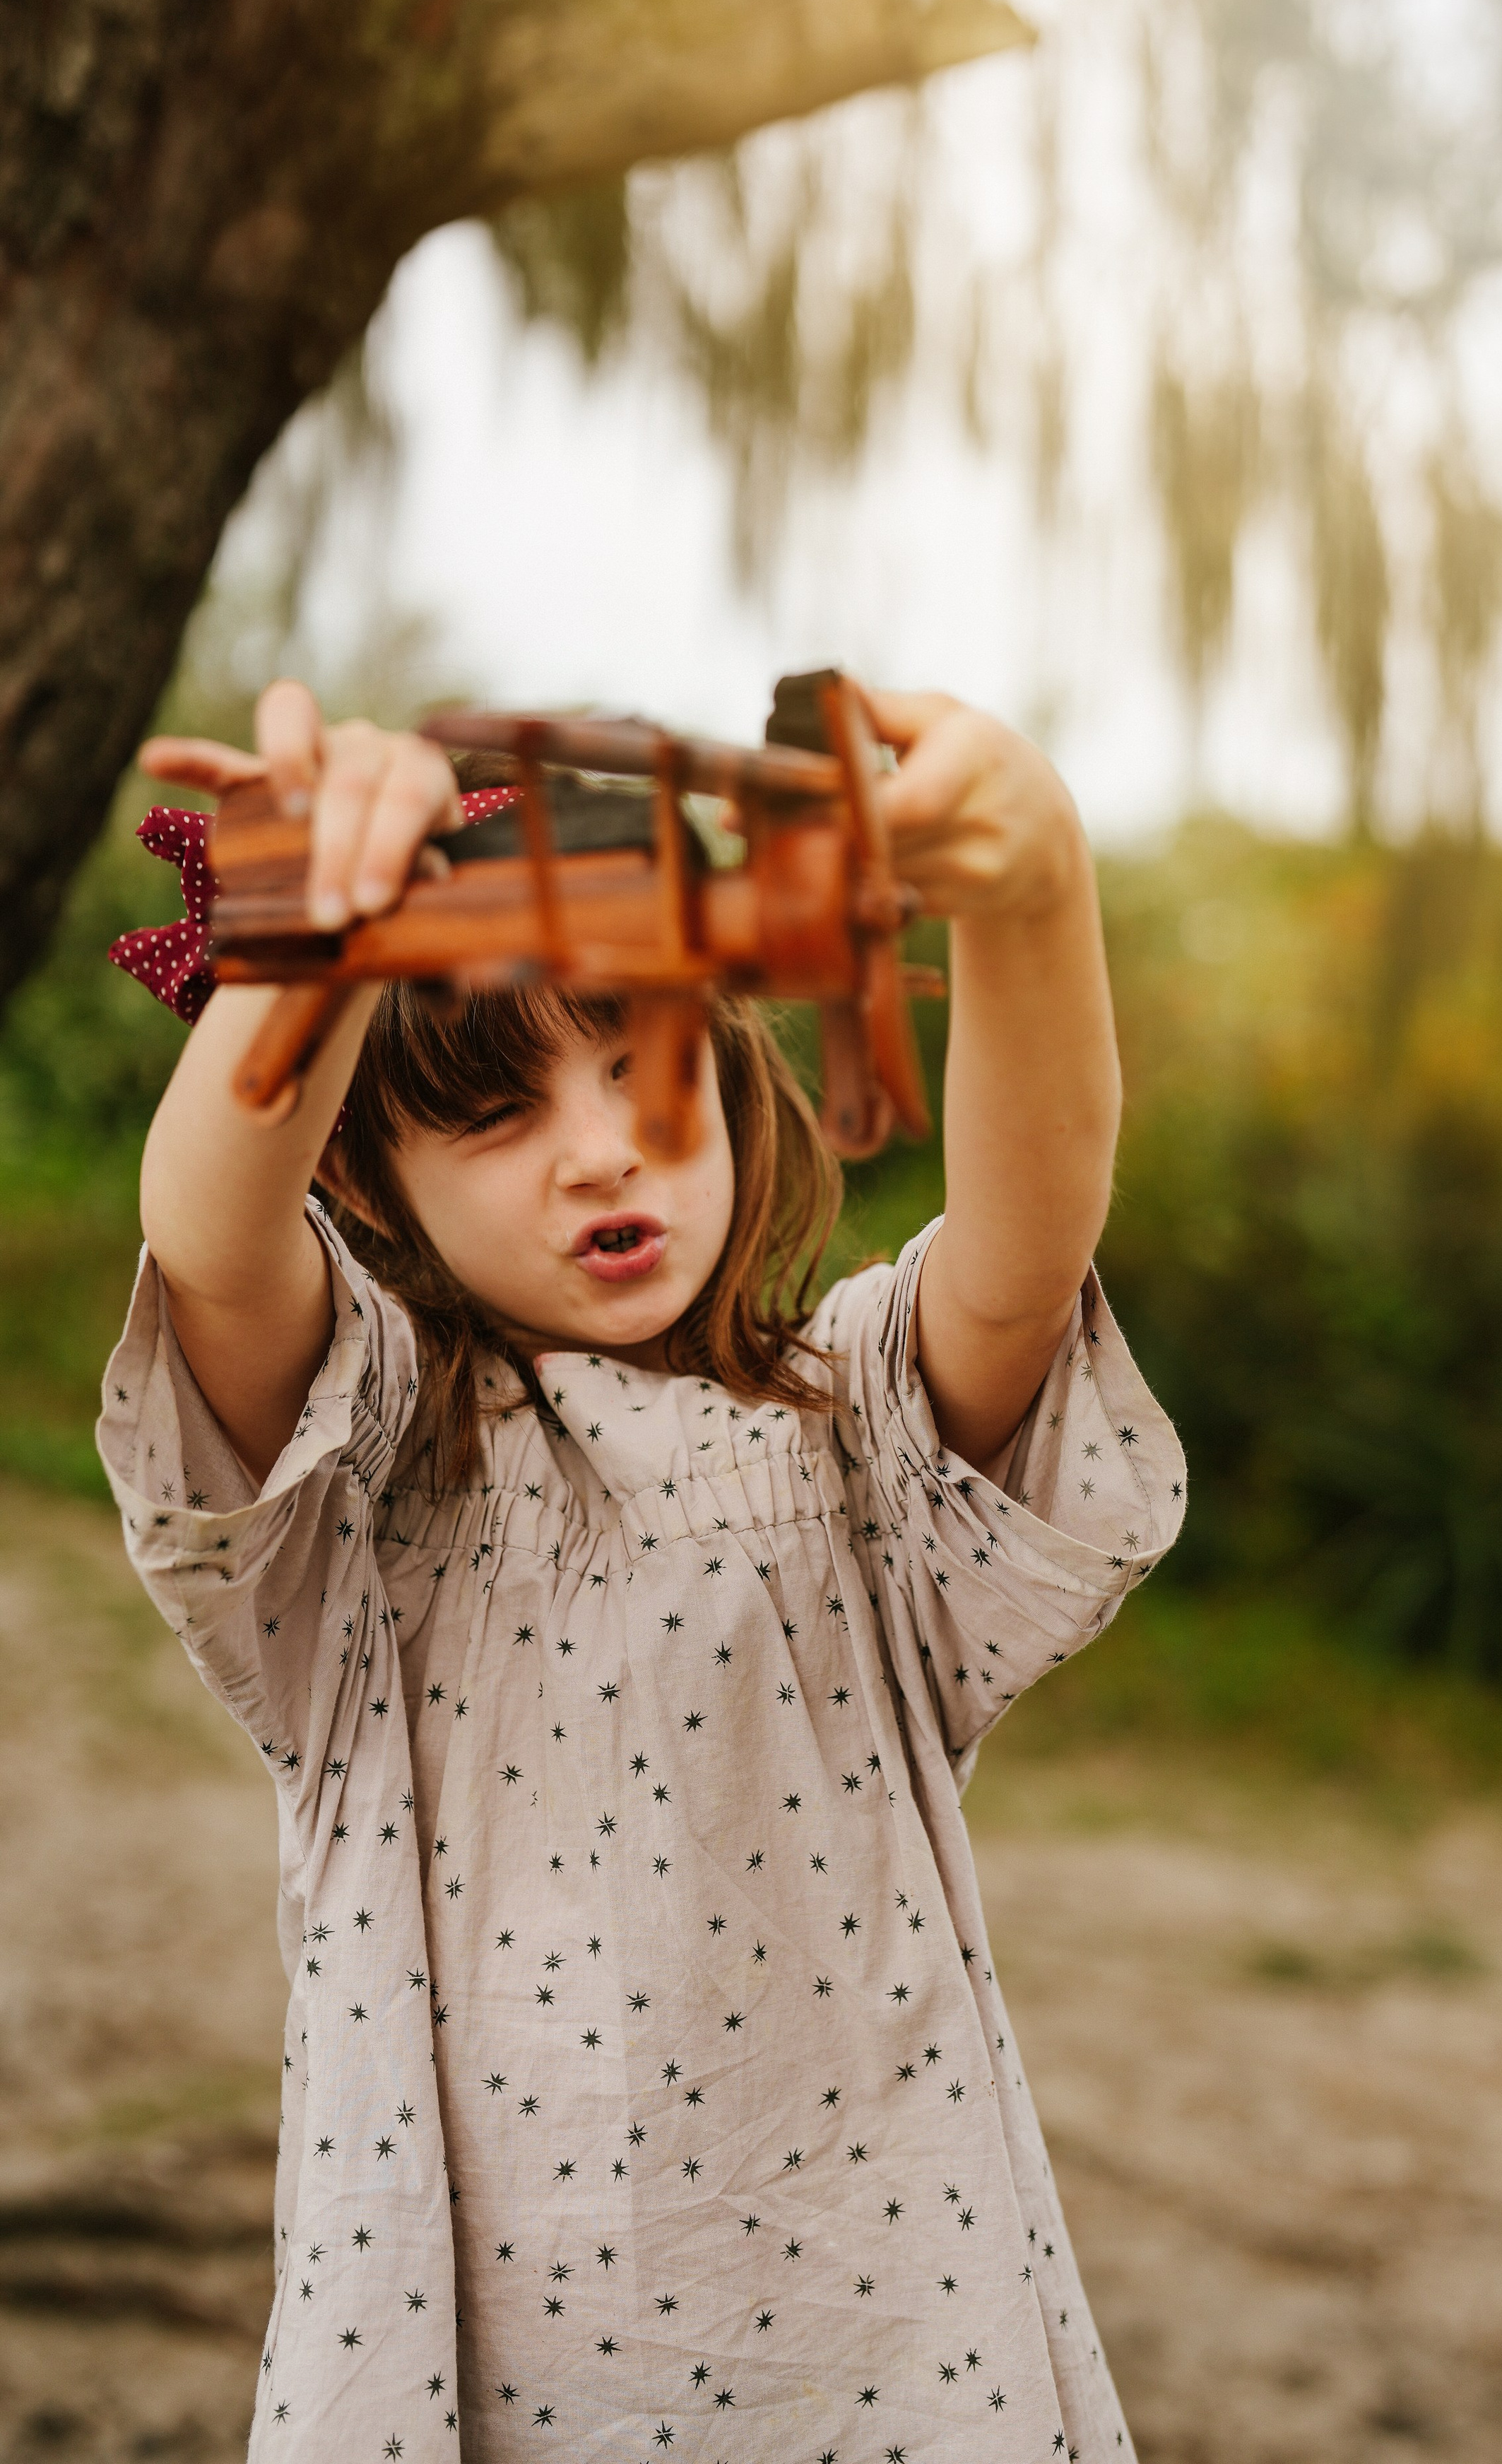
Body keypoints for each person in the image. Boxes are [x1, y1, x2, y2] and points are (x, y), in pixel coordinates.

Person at [98, 678, 1186, 2461]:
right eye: (495, 1113)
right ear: (361, 1181)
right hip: (486, 2377)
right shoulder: (358, 1483)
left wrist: (1034, 891)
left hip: (885, 2352)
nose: (599, 1146)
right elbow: (213, 1247)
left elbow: (1025, 1253)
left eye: (642, 1063)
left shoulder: (856, 1438)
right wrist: (308, 950)